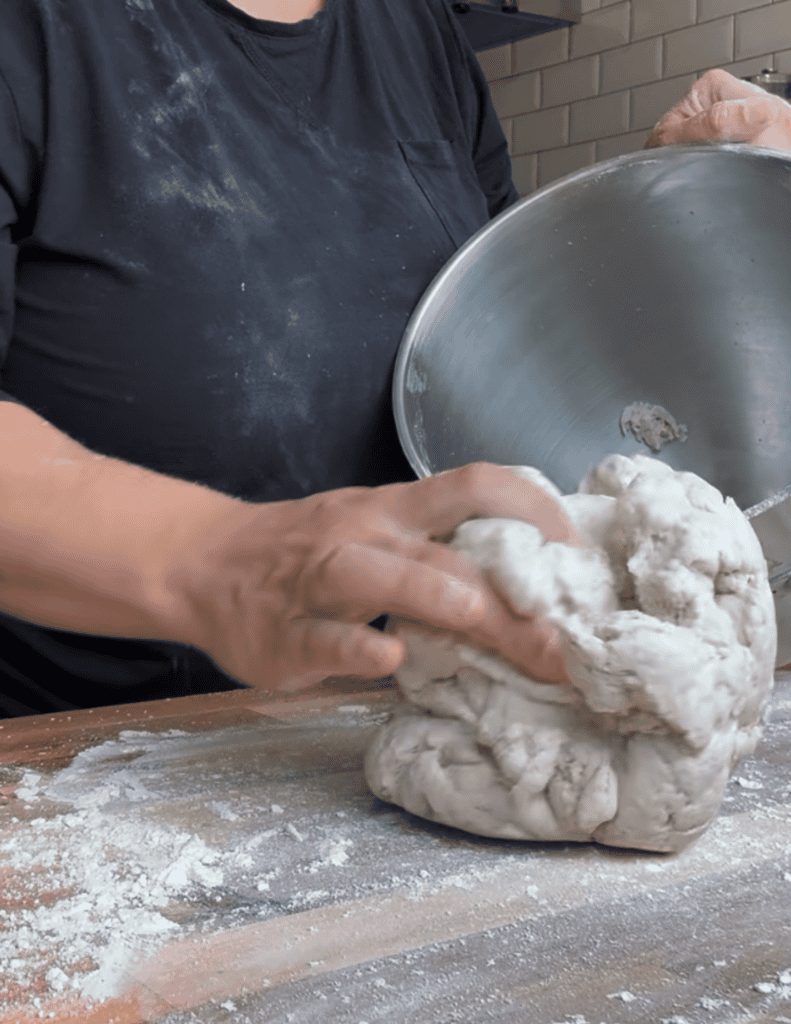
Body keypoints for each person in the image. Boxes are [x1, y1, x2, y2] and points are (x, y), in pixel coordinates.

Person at [0, 0, 788, 718]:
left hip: (393, 713)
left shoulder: (417, 34)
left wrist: (672, 213)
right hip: (74, 743)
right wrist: (216, 561)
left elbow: (500, 347)